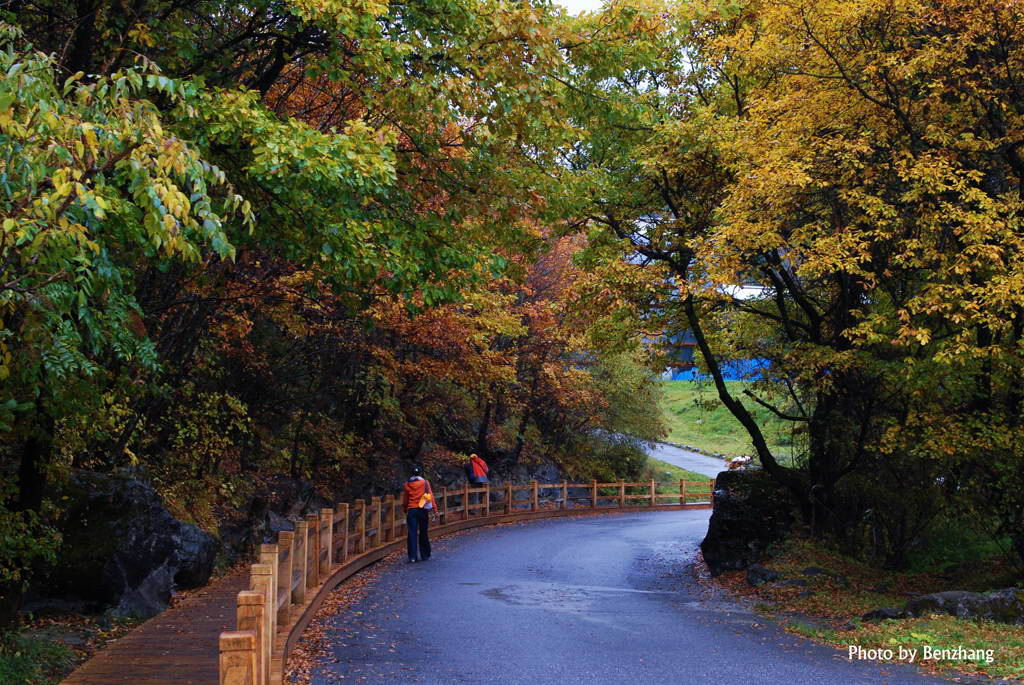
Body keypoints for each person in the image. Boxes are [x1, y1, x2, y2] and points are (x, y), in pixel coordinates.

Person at [402, 465, 436, 563]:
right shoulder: (425, 483)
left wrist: (405, 508)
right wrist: (435, 509)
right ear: (420, 473)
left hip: (412, 510)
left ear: (412, 474)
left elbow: (405, 499)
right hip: (422, 510)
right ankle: (425, 554)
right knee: (423, 531)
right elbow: (430, 496)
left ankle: (412, 556)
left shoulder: (407, 484)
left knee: (412, 533)